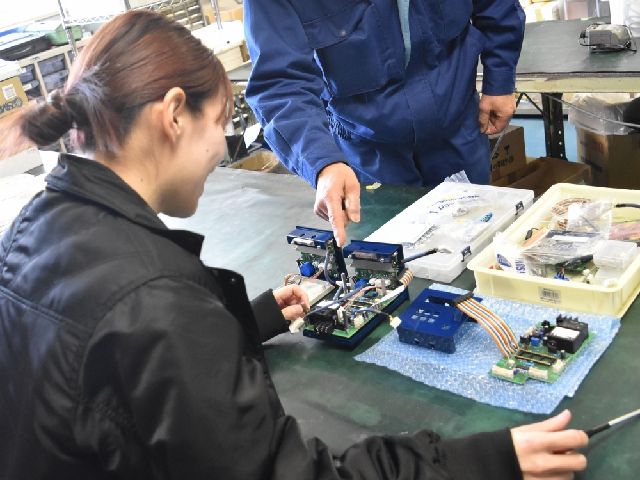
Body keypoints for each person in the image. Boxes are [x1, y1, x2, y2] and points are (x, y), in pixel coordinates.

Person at [0, 10, 588, 480]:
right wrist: (478, 462)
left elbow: (113, 379)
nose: (220, 149)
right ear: (174, 114)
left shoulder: (38, 226)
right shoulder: (157, 300)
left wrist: (237, 325)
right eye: (220, 125)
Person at [244, 0, 526, 246]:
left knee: (478, 244)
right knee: (392, 264)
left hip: (458, 129)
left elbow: (496, 5)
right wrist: (322, 163)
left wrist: (500, 79)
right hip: (368, 153)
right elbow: (280, 84)